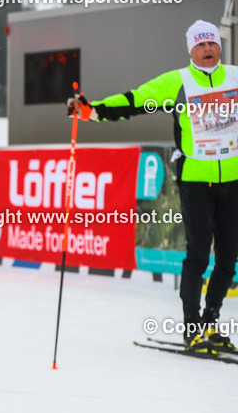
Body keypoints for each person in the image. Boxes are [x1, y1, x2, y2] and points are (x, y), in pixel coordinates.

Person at [69, 20, 238, 354]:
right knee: (198, 255)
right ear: (191, 49)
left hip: (232, 181)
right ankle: (192, 331)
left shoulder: (235, 77)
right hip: (195, 181)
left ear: (219, 47)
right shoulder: (178, 81)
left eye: (212, 44)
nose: (208, 49)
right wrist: (93, 111)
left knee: (229, 259)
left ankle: (209, 325)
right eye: (201, 45)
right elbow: (135, 100)